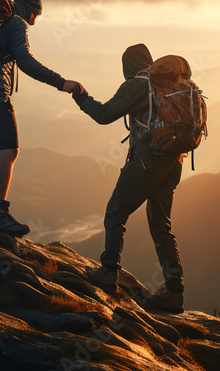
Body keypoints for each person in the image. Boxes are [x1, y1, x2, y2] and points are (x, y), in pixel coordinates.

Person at [72, 43, 185, 313]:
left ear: (127, 66)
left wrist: (80, 96)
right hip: (174, 160)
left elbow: (103, 115)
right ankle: (174, 292)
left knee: (115, 212)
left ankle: (108, 273)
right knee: (161, 225)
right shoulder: (170, 84)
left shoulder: (136, 85)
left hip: (148, 160)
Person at [0, 0, 84, 236]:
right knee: (9, 149)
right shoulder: (15, 23)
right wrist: (61, 83)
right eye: (34, 16)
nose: (33, 22)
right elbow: (25, 61)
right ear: (29, 11)